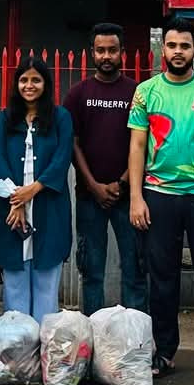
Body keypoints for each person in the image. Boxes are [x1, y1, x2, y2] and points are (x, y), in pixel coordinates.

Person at [128, 19, 194, 381]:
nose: (178, 52)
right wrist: (136, 198)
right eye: (172, 45)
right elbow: (138, 146)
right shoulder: (146, 92)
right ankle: (164, 352)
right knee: (162, 278)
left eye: (185, 46)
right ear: (164, 49)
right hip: (158, 195)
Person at [67, 23, 146, 313]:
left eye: (112, 50)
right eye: (101, 50)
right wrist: (94, 185)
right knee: (91, 272)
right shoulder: (78, 94)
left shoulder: (138, 93)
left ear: (122, 53)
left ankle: (133, 339)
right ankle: (93, 338)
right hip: (89, 197)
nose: (106, 56)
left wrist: (122, 183)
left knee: (135, 270)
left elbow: (143, 144)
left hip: (130, 197)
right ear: (92, 53)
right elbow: (73, 144)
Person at [0, 58, 73, 321]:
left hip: (48, 205)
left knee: (46, 278)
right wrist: (17, 201)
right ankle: (19, 346)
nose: (29, 85)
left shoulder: (60, 117)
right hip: (12, 206)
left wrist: (34, 190)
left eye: (35, 80)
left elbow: (62, 158)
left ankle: (44, 344)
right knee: (15, 279)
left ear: (46, 84)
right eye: (24, 80)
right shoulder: (5, 118)